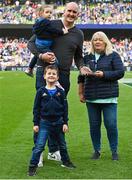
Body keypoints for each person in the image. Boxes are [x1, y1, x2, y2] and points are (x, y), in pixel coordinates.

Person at [27, 2, 89, 165]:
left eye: (74, 12)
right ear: (64, 11)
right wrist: (41, 56)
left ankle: (53, 151)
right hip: (45, 73)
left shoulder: (79, 34)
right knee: (42, 112)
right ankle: (38, 152)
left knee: (57, 113)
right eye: (69, 10)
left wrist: (82, 66)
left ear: (77, 14)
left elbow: (78, 56)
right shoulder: (50, 23)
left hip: (64, 76)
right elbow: (31, 43)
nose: (71, 14)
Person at [78, 31, 125, 161]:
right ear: (92, 42)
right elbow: (80, 76)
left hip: (109, 97)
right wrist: (81, 92)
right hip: (91, 97)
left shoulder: (113, 55)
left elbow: (120, 72)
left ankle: (114, 150)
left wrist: (104, 74)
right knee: (94, 125)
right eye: (95, 40)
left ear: (105, 42)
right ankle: (96, 150)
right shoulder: (87, 57)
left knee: (111, 124)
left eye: (100, 39)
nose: (97, 42)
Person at [27, 65, 76, 176]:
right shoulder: (41, 91)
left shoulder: (61, 92)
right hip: (44, 123)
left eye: (54, 74)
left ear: (57, 77)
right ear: (44, 76)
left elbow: (65, 108)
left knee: (62, 144)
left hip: (58, 122)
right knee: (39, 145)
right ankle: (32, 166)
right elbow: (36, 109)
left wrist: (65, 123)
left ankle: (66, 162)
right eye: (49, 73)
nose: (51, 75)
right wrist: (36, 123)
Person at [25, 5, 68, 77]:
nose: (49, 14)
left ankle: (29, 68)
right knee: (54, 60)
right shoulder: (46, 22)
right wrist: (62, 32)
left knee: (37, 56)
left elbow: (36, 30)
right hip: (44, 45)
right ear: (41, 13)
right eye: (47, 12)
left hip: (39, 44)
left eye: (51, 13)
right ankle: (56, 76)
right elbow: (53, 30)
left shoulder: (39, 22)